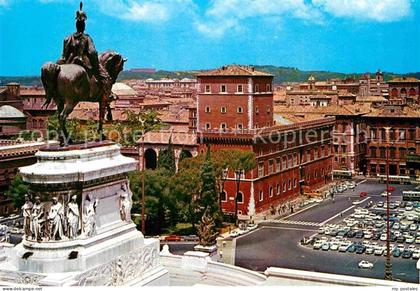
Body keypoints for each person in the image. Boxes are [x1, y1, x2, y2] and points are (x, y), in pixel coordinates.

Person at [57, 2, 108, 93]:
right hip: (83, 62)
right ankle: (103, 92)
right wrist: (95, 64)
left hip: (69, 61)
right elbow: (92, 52)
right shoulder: (86, 38)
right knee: (102, 76)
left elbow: (64, 55)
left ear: (76, 26)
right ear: (84, 26)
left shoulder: (67, 38)